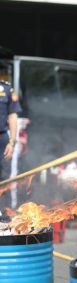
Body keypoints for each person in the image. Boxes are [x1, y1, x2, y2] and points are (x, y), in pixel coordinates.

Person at [0, 79, 20, 209]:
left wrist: (12, 142)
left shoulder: (6, 89)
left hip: (2, 138)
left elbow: (13, 116)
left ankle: (3, 213)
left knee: (4, 177)